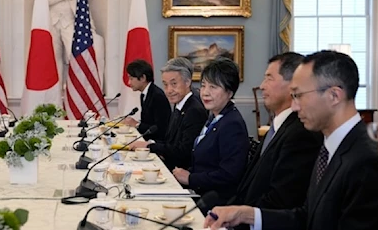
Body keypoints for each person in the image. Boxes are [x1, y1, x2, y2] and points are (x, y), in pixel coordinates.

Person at [204, 51, 378, 230]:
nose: (294, 106)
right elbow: (307, 217)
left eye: (299, 95)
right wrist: (247, 215)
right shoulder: (330, 147)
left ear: (334, 95)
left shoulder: (366, 160)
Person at [228, 53, 322, 212]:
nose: (262, 86)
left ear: (293, 84)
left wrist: (241, 218)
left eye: (269, 78)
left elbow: (282, 199)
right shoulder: (277, 127)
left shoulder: (301, 134)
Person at [173, 57, 249, 208]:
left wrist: (191, 178)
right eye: (203, 86)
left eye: (213, 87)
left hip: (215, 203)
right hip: (200, 193)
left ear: (229, 91)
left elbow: (229, 175)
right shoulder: (215, 116)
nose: (205, 93)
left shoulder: (232, 124)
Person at [128, 57, 208, 170]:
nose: (169, 90)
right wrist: (150, 143)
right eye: (165, 84)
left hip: (182, 173)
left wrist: (150, 146)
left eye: (174, 84)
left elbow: (183, 151)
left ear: (187, 82)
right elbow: (170, 141)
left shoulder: (194, 110)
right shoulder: (179, 103)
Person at [46, 0, 104, 95]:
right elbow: (44, 1)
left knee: (74, 55)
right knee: (54, 57)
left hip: (70, 22)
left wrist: (91, 26)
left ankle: (74, 88)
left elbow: (84, 6)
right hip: (53, 22)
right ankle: (57, 90)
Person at [121, 59, 171, 141]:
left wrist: (136, 124)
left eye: (131, 78)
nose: (129, 82)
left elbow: (161, 129)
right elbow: (147, 121)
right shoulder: (144, 94)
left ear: (143, 78)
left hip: (157, 144)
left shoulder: (157, 96)